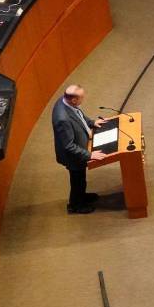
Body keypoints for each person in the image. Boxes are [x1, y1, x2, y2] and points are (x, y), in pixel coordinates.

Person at [51, 84, 107, 214]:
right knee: (77, 180)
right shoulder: (62, 119)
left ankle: (82, 196)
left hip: (78, 150)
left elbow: (79, 115)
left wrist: (91, 122)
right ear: (74, 100)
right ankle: (75, 205)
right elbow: (68, 146)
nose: (84, 99)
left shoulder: (66, 101)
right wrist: (90, 155)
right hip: (73, 157)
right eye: (82, 97)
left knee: (81, 179)